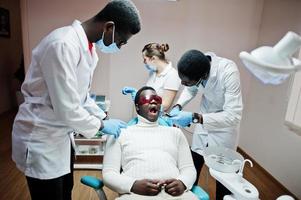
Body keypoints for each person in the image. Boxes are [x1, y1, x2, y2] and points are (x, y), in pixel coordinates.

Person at [11, 1, 141, 199]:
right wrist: (101, 125)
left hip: (61, 138)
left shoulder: (89, 49)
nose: (120, 47)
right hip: (42, 138)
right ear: (109, 27)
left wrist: (102, 115)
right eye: (121, 41)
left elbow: (80, 97)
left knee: (65, 192)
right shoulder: (62, 44)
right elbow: (66, 108)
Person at [169, 50, 243, 200]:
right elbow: (190, 89)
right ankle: (187, 196)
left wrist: (196, 117)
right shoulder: (197, 65)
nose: (183, 84)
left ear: (202, 76)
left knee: (224, 179)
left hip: (224, 128)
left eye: (186, 81)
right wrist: (178, 106)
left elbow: (233, 116)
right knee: (193, 164)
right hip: (204, 123)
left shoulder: (228, 72)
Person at [103, 86, 197, 200]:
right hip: (136, 195)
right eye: (146, 99)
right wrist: (133, 185)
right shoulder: (120, 133)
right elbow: (109, 173)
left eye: (157, 99)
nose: (153, 101)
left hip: (177, 195)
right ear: (137, 107)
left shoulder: (176, 133)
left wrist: (183, 183)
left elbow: (188, 168)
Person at [122, 42, 181, 111]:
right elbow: (150, 95)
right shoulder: (153, 73)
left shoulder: (172, 75)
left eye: (145, 59)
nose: (144, 62)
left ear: (153, 58)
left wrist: (141, 100)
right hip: (149, 116)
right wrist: (139, 95)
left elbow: (165, 106)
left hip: (163, 119)